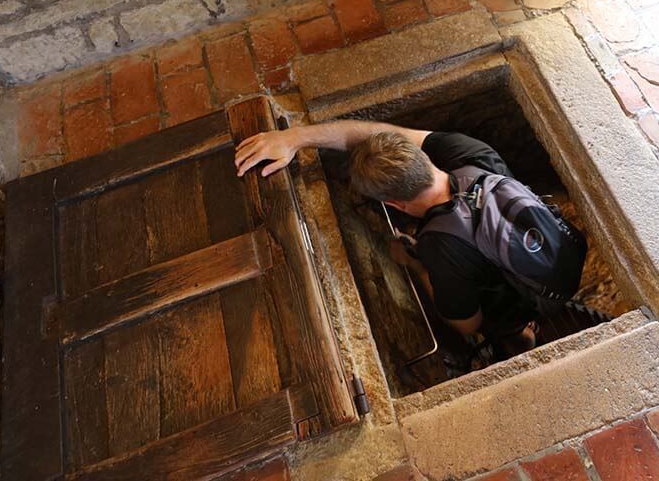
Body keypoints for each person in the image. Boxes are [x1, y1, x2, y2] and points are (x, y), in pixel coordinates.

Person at [234, 120, 586, 359]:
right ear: (422, 153)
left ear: (393, 205)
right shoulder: (468, 152)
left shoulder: (440, 246)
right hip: (563, 250)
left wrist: (416, 267)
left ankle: (521, 332)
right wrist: (296, 136)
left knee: (492, 321)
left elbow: (468, 324)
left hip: (532, 300)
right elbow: (381, 132)